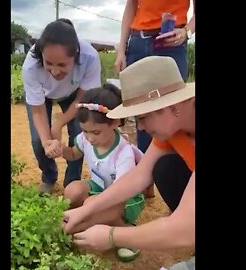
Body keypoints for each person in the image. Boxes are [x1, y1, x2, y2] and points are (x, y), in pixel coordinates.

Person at [62, 56, 195, 262]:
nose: (140, 128)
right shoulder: (174, 127)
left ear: (173, 106)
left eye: (142, 117)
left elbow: (185, 230)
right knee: (164, 167)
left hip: (186, 229)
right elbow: (139, 175)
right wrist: (86, 210)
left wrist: (112, 236)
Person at [47, 84, 145, 260]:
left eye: (96, 132)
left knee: (91, 203)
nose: (90, 138)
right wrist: (61, 149)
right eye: (85, 131)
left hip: (125, 199)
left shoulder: (123, 153)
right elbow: (73, 155)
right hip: (99, 187)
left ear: (115, 122)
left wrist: (92, 206)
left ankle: (127, 232)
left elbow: (122, 192)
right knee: (72, 190)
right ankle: (84, 222)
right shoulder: (85, 139)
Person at [114, 0, 196, 197]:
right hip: (138, 39)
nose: (139, 126)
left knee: (169, 117)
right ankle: (150, 184)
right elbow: (131, 6)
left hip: (171, 38)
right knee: (146, 117)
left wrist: (187, 31)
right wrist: (121, 49)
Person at [23, 18, 102, 193]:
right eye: (48, 63)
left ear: (75, 56)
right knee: (38, 141)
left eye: (62, 64)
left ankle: (71, 183)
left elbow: (83, 99)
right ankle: (49, 177)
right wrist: (47, 143)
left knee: (78, 135)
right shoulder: (30, 66)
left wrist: (60, 122)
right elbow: (37, 111)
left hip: (75, 95)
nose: (55, 71)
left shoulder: (89, 57)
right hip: (44, 96)